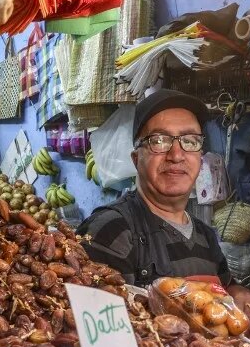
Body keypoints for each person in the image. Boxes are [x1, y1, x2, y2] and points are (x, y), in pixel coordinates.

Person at [78, 89, 231, 287]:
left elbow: (226, 294)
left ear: (200, 159)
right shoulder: (111, 231)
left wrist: (237, 292)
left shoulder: (206, 236)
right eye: (159, 141)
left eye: (190, 141)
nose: (176, 155)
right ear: (136, 159)